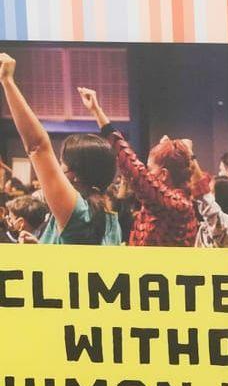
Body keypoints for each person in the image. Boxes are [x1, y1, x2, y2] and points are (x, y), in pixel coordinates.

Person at [0, 54, 121, 245]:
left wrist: (7, 81)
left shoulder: (77, 212)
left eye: (62, 163)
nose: (57, 168)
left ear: (75, 175)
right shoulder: (108, 217)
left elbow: (37, 147)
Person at [77, 87, 199, 247]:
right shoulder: (175, 201)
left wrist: (97, 112)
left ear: (163, 174)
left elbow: (130, 163)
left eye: (149, 168)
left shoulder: (174, 203)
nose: (146, 172)